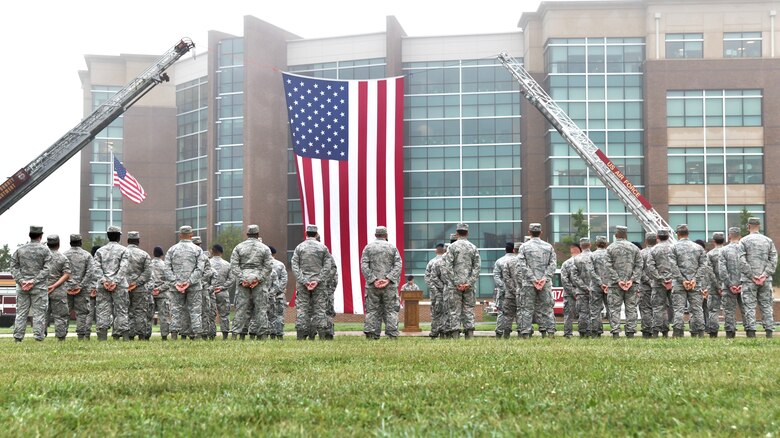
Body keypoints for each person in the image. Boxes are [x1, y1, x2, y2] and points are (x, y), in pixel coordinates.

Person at [231, 224, 274, 340]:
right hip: (259, 281)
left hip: (243, 280)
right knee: (261, 308)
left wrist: (242, 278)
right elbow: (269, 266)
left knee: (241, 308)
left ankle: (235, 334)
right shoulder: (265, 248)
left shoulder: (238, 247)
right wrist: (258, 279)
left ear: (247, 234)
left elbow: (234, 265)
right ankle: (263, 335)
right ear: (258, 234)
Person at [360, 225, 403, 340]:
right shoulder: (392, 248)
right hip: (389, 286)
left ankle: (372, 334)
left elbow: (364, 265)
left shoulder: (368, 248)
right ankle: (392, 335)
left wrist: (373, 279)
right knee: (391, 310)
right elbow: (398, 265)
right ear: (386, 235)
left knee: (372, 310)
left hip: (372, 286)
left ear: (375, 235)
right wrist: (388, 279)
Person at [11, 225, 52, 342]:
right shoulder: (45, 250)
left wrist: (22, 281)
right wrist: (33, 281)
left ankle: (18, 338)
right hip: (39, 288)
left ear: (30, 235)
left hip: (22, 287)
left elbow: (13, 267)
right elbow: (47, 269)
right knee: (39, 313)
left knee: (21, 313)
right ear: (40, 236)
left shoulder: (20, 250)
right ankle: (38, 338)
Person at [165, 225, 206, 341]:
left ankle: (174, 336)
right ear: (191, 235)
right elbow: (200, 268)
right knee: (195, 310)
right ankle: (197, 335)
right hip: (194, 286)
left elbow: (167, 268)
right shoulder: (198, 250)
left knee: (175, 310)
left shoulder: (172, 250)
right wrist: (189, 282)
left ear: (180, 235)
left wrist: (176, 283)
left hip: (175, 287)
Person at [516, 223, 556, 338]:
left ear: (529, 232)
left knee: (527, 309)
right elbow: (552, 265)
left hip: (528, 283)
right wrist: (544, 279)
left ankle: (526, 334)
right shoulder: (548, 247)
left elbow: (521, 264)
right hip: (545, 284)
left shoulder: (524, 247)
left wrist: (533, 279)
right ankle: (550, 333)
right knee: (547, 308)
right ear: (541, 232)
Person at [441, 223, 481, 339]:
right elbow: (477, 267)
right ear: (467, 233)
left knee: (454, 311)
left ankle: (455, 337)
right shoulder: (473, 247)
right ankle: (470, 336)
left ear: (457, 233)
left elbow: (448, 266)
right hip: (469, 286)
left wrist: (456, 282)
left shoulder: (451, 248)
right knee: (469, 310)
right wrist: (469, 282)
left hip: (454, 287)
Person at [739, 217, 777, 338]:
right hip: (765, 280)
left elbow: (741, 260)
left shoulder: (743, 241)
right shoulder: (768, 241)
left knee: (749, 306)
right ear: (759, 226)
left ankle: (751, 333)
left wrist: (752, 276)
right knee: (766, 305)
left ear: (748, 226)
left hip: (749, 280)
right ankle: (769, 332)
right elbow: (774, 260)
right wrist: (764, 275)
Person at [669, 224, 707, 337]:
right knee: (697, 309)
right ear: (688, 233)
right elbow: (703, 265)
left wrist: (682, 280)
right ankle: (700, 333)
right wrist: (695, 279)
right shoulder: (698, 248)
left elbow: (673, 265)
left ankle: (678, 333)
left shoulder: (673, 247)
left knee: (678, 309)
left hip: (679, 284)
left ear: (678, 234)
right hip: (695, 284)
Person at [604, 226, 642, 338]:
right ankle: (630, 332)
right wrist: (632, 280)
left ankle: (615, 332)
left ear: (616, 235)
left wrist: (618, 280)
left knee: (614, 309)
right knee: (631, 308)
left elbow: (608, 265)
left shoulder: (610, 248)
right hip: (631, 284)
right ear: (626, 234)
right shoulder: (634, 248)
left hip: (615, 285)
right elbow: (639, 265)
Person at [94, 226, 131, 341]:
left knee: (102, 311)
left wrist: (104, 281)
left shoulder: (99, 251)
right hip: (119, 286)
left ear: (108, 236)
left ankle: (102, 338)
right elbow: (124, 267)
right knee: (122, 311)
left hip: (103, 285)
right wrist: (115, 281)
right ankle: (125, 338)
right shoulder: (124, 250)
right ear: (119, 236)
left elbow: (96, 267)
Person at [718, 227, 751, 338]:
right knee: (746, 309)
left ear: (729, 236)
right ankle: (750, 332)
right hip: (745, 284)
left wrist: (730, 284)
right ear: (740, 237)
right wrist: (742, 284)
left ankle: (730, 334)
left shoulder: (723, 250)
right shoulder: (746, 250)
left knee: (729, 311)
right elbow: (749, 268)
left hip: (728, 287)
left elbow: (722, 270)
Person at [63, 234, 95, 341]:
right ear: (81, 242)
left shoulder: (64, 255)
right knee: (82, 313)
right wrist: (80, 286)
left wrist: (68, 285)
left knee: (64, 313)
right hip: (82, 290)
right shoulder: (87, 255)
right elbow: (90, 272)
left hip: (66, 289)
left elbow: (60, 272)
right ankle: (81, 337)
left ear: (70, 242)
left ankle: (62, 336)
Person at [125, 231, 152, 340]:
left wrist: (127, 284)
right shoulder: (144, 254)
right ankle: (141, 336)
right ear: (138, 241)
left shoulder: (122, 253)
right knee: (140, 312)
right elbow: (148, 273)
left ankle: (128, 335)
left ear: (127, 240)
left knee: (125, 311)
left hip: (123, 288)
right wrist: (136, 283)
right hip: (140, 288)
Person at [45, 235, 71, 341]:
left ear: (47, 244)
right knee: (60, 315)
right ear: (58, 244)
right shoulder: (63, 258)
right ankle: (60, 337)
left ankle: (40, 336)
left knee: (42, 315)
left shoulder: (42, 257)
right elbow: (67, 274)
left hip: (43, 290)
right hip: (58, 290)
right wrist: (54, 285)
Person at [192, 236, 216, 340]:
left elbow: (208, 272)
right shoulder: (190, 257)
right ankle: (195, 333)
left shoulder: (204, 257)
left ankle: (203, 333)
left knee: (204, 311)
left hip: (200, 287)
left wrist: (195, 281)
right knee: (197, 311)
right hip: (196, 287)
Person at [209, 244, 234, 340]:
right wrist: (222, 287)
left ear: (212, 251)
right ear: (222, 252)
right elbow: (232, 279)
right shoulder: (227, 264)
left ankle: (211, 335)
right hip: (223, 293)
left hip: (210, 292)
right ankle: (225, 335)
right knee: (224, 315)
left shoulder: (208, 264)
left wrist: (211, 288)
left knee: (210, 315)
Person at [572, 237, 595, 338]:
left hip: (581, 291)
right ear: (590, 245)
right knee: (594, 312)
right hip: (595, 289)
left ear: (580, 246)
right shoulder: (595, 257)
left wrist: (584, 287)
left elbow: (574, 276)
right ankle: (594, 332)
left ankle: (582, 332)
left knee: (582, 312)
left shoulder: (576, 259)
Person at [492, 242, 516, 339]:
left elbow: (496, 276)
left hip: (503, 292)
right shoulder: (519, 261)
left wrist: (504, 287)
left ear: (505, 250)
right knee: (521, 312)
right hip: (518, 292)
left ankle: (499, 333)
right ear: (514, 250)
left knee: (502, 312)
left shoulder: (499, 261)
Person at [589, 236, 610, 337]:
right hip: (610, 287)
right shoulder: (610, 255)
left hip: (596, 287)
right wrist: (607, 284)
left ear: (596, 244)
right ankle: (615, 331)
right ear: (606, 244)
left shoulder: (592, 255)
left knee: (595, 310)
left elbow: (591, 271)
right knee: (612, 309)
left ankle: (596, 332)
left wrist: (600, 283)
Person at [705, 232, 726, 337]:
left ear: (713, 241)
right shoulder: (729, 251)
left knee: (713, 310)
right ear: (724, 240)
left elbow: (709, 272)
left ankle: (713, 333)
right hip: (729, 286)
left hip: (714, 287)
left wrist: (717, 286)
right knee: (729, 310)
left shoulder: (710, 254)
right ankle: (730, 331)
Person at [424, 243, 446, 339]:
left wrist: (434, 289)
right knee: (446, 312)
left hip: (435, 293)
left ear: (436, 250)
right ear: (445, 250)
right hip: (447, 292)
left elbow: (427, 278)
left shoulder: (431, 262)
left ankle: (434, 332)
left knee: (435, 313)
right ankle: (444, 332)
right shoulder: (448, 261)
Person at [149, 246, 171, 340]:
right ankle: (164, 336)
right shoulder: (165, 265)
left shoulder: (148, 265)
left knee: (148, 316)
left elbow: (146, 279)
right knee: (164, 316)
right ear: (162, 254)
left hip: (150, 294)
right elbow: (169, 281)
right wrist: (159, 289)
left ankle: (146, 336)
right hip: (163, 295)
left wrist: (152, 289)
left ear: (153, 253)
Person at [559, 242, 581, 338]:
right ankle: (585, 332)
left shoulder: (565, 264)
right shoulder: (585, 262)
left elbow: (564, 280)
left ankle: (568, 333)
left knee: (568, 315)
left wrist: (573, 292)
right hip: (583, 293)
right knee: (585, 313)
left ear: (571, 250)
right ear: (579, 249)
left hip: (569, 294)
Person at [267, 246, 288, 340]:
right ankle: (279, 335)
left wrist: (270, 292)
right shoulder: (280, 265)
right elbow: (284, 279)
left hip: (266, 295)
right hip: (279, 295)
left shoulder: (263, 265)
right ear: (274, 254)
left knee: (268, 315)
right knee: (279, 315)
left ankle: (270, 334)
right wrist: (278, 291)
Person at [638, 232, 656, 338]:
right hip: (660, 285)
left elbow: (639, 270)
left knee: (645, 309)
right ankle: (658, 330)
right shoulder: (660, 252)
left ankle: (646, 331)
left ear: (646, 241)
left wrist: (648, 281)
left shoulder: (641, 253)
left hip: (645, 286)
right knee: (659, 308)